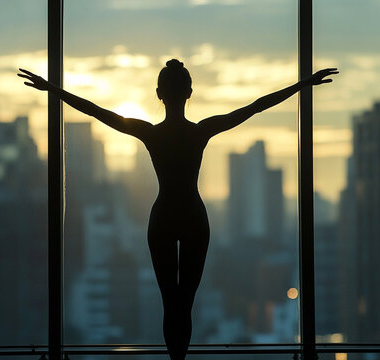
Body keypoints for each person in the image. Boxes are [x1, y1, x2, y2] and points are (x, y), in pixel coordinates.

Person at [18, 60, 337, 360]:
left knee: (169, 300)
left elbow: (99, 112)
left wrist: (53, 89)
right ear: (189, 93)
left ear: (159, 95)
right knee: (186, 300)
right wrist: (303, 85)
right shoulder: (199, 132)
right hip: (194, 217)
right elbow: (253, 107)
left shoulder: (152, 134)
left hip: (164, 217)